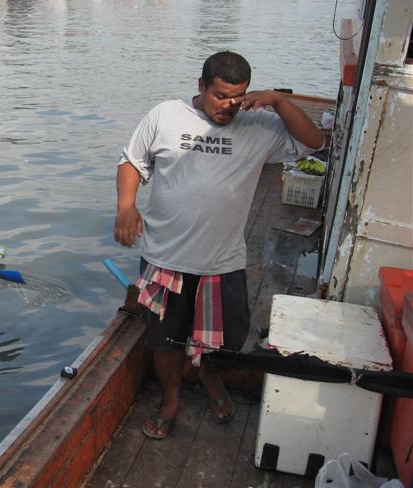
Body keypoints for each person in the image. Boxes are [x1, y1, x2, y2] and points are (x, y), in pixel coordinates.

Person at [113, 51, 323, 440]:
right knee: (165, 339)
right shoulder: (166, 115)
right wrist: (126, 207)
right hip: (166, 257)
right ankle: (171, 399)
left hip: (223, 260)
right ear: (201, 86)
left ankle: (210, 375)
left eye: (237, 97)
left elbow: (313, 141)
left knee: (227, 337)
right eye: (221, 96)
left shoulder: (258, 126)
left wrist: (276, 100)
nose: (229, 106)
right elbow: (132, 161)